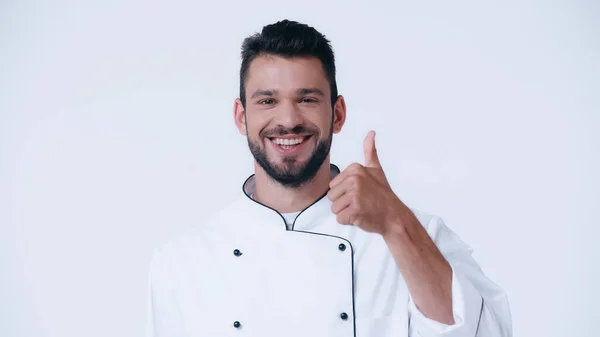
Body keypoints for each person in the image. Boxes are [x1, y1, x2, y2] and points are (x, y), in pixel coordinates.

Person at [145, 19, 512, 337]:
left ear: (337, 113)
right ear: (241, 117)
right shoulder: (183, 261)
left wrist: (395, 223)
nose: (288, 120)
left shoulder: (416, 235)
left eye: (306, 99)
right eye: (267, 101)